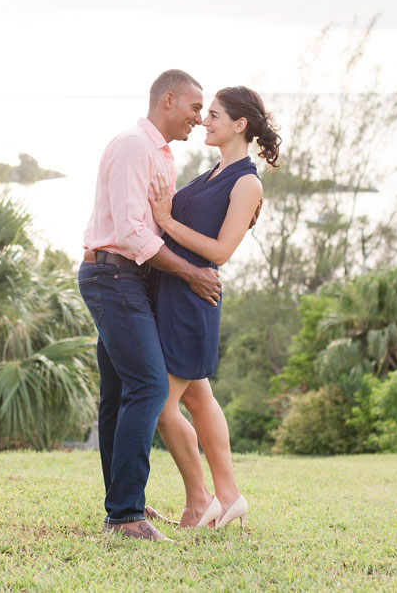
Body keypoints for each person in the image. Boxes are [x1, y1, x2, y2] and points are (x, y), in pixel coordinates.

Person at [79, 69, 224, 542]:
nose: (198, 119)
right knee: (148, 387)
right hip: (114, 276)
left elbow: (165, 222)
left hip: (131, 279)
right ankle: (124, 517)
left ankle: (125, 506)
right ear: (167, 100)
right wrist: (190, 272)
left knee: (120, 395)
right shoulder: (132, 148)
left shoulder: (161, 156)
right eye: (194, 107)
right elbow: (129, 230)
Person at [147, 85, 281, 529]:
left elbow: (221, 251)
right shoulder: (211, 172)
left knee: (162, 409)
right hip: (171, 294)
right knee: (200, 399)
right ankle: (229, 496)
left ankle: (200, 498)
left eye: (215, 115)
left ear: (240, 125)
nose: (205, 119)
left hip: (193, 301)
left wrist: (166, 221)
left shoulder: (246, 181)